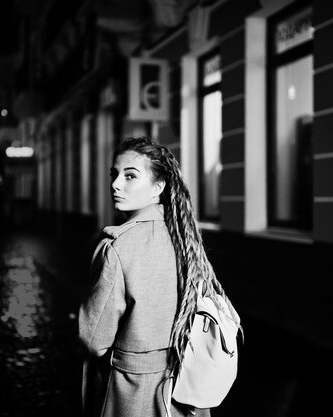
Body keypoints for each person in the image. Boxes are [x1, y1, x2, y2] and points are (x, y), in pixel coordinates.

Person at [78, 136, 235, 417]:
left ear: (158, 187)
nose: (115, 184)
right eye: (115, 175)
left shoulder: (117, 248)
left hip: (133, 393)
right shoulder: (186, 240)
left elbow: (93, 339)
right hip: (185, 392)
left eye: (130, 176)